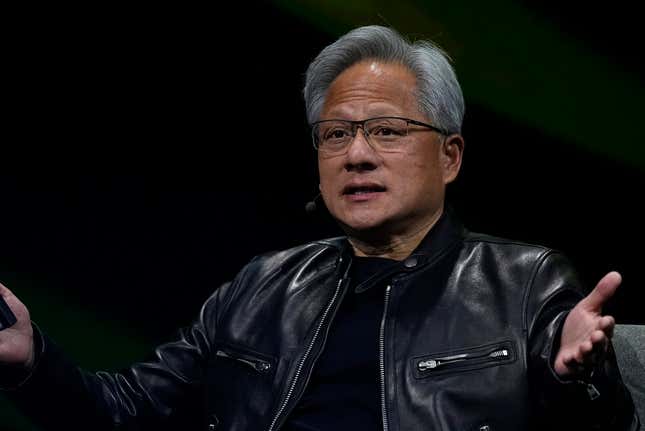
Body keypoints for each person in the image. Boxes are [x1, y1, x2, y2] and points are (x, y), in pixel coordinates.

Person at [0, 25, 639, 431]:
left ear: (450, 156)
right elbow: (126, 411)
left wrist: (576, 380)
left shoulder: (524, 282)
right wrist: (33, 363)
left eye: (387, 130)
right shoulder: (263, 285)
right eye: (336, 134)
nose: (356, 154)